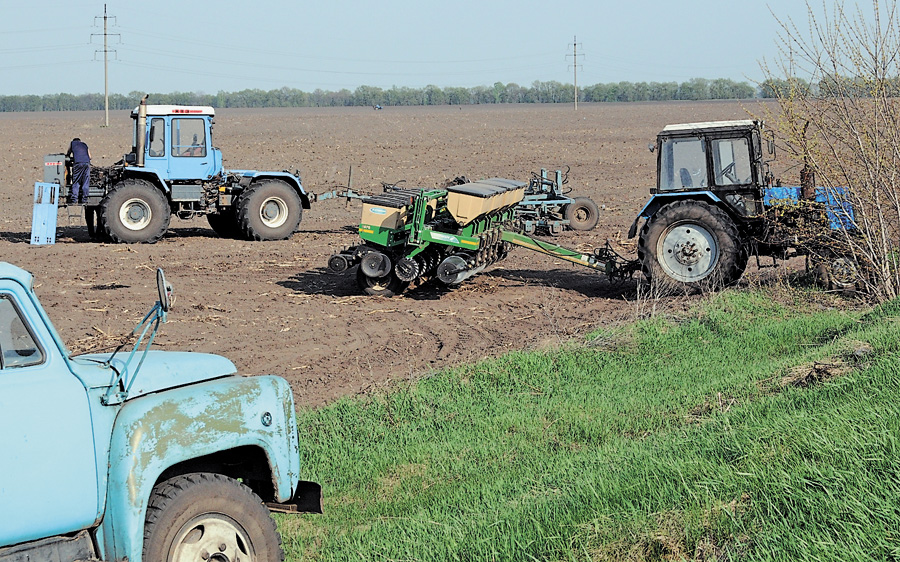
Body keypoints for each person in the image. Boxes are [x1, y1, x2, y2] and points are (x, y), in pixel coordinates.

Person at [66, 137, 91, 204]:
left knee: (76, 181)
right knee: (85, 181)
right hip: (86, 164)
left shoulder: (73, 143)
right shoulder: (84, 144)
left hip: (78, 164)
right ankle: (84, 200)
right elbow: (90, 157)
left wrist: (68, 156)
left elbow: (68, 152)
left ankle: (74, 199)